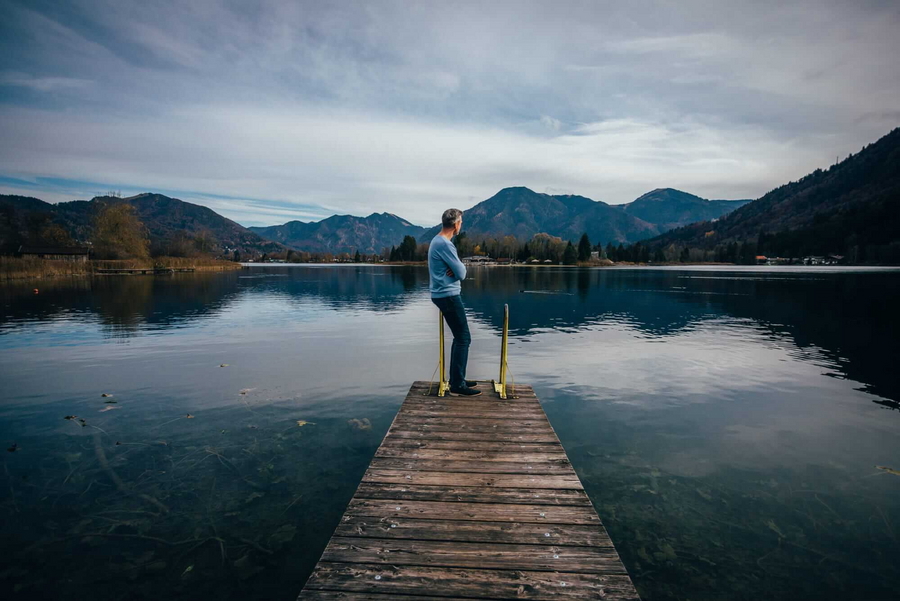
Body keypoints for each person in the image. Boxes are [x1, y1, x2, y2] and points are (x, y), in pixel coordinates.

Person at [429, 208, 481, 396]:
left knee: (459, 337)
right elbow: (462, 273)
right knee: (464, 338)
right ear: (456, 224)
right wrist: (455, 270)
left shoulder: (437, 241)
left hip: (442, 294)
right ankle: (458, 386)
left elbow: (457, 271)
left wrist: (454, 270)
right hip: (448, 295)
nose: (461, 226)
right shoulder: (445, 244)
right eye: (461, 223)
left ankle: (456, 379)